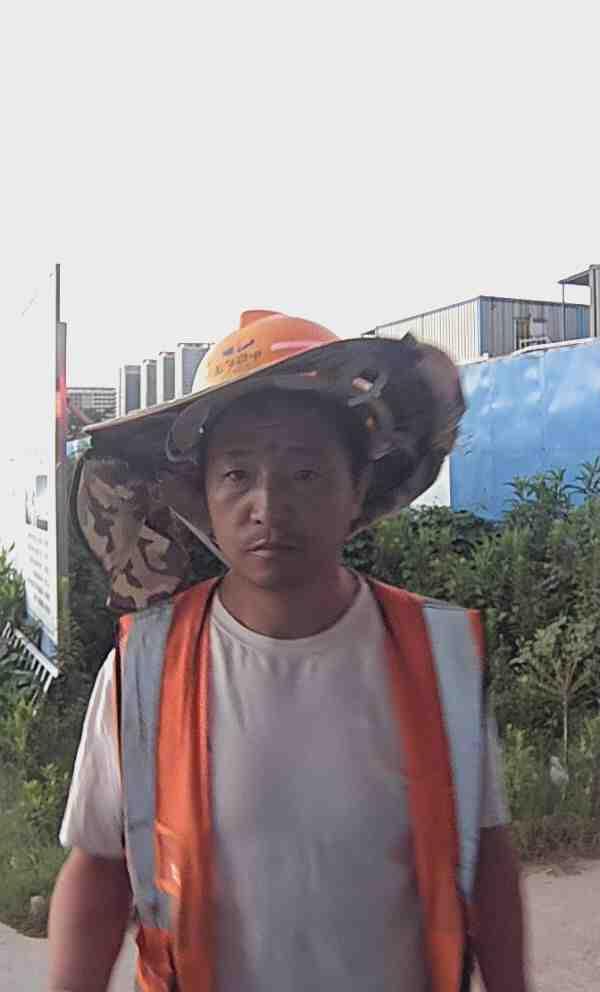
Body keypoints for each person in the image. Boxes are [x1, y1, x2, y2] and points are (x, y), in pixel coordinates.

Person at [49, 310, 528, 992]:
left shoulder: (440, 656)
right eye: (237, 475)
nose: (268, 506)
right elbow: (99, 868)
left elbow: (488, 859)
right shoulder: (145, 668)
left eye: (305, 473)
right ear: (203, 494)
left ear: (357, 488)